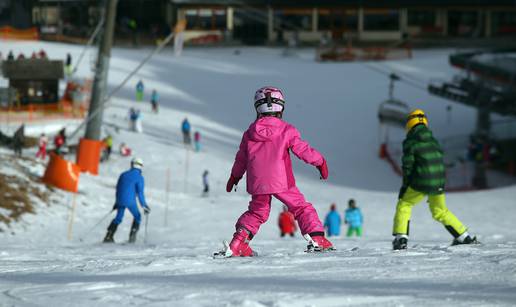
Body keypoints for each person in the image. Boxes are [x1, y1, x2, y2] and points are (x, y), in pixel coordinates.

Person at [215, 86, 333, 258]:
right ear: (281, 107)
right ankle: (317, 239)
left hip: (258, 182)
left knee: (257, 212)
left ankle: (238, 243)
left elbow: (241, 158)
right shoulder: (286, 130)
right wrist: (320, 161)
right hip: (281, 181)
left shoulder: (249, 133)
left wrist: (235, 176)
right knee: (301, 207)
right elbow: (302, 149)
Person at [392, 109, 478, 250]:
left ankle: (401, 239)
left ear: (409, 123)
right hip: (438, 181)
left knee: (405, 204)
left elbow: (408, 166)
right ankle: (464, 237)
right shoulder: (433, 141)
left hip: (420, 181)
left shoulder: (411, 142)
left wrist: (405, 186)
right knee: (440, 210)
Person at [104, 158, 151, 243]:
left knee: (118, 218)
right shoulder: (139, 177)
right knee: (137, 216)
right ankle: (132, 238)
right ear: (141, 166)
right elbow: (140, 193)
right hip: (130, 201)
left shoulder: (123, 174)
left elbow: (118, 189)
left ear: (132, 164)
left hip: (120, 200)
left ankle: (108, 236)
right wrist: (144, 206)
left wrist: (116, 203)